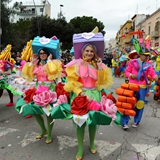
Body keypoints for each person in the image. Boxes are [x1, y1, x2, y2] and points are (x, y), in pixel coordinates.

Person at [64, 39, 115, 159]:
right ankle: (80, 148)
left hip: (94, 96)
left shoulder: (99, 65)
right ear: (82, 52)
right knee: (80, 123)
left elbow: (102, 82)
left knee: (93, 122)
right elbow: (72, 82)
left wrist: (99, 67)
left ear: (95, 53)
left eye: (92, 51)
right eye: (87, 50)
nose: (89, 53)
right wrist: (80, 93)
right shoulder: (76, 64)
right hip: (81, 96)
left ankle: (92, 143)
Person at [16, 48, 62, 143]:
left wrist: (49, 61)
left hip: (50, 89)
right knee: (34, 110)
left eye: (44, 53)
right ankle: (43, 130)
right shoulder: (37, 65)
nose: (42, 55)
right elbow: (27, 74)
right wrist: (32, 62)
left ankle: (49, 133)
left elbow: (54, 73)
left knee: (48, 113)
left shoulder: (53, 63)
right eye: (40, 53)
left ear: (48, 53)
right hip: (38, 89)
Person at [123, 48, 158, 130]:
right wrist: (131, 75)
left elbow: (152, 72)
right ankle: (125, 122)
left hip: (142, 87)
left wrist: (155, 76)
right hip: (132, 86)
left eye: (147, 55)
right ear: (140, 55)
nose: (146, 57)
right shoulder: (133, 62)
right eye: (144, 55)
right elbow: (126, 72)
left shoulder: (148, 64)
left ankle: (136, 121)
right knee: (128, 103)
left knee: (140, 104)